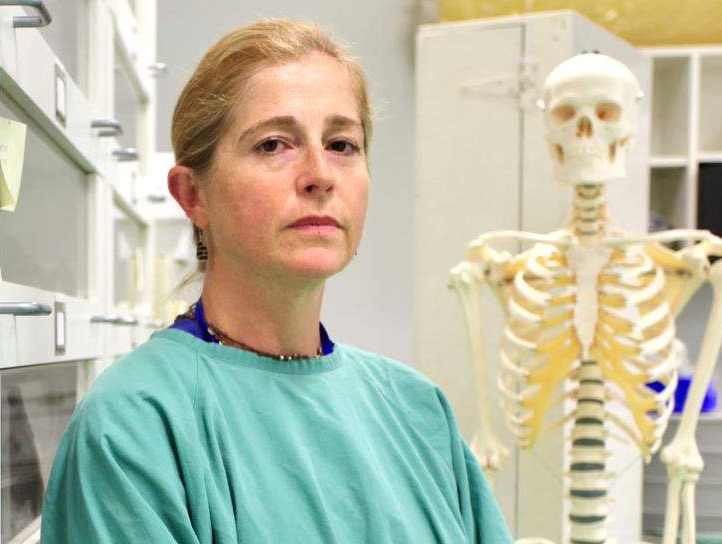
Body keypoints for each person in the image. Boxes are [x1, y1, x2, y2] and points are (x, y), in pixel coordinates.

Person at [41, 18, 512, 543]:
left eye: (342, 144)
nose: (319, 174)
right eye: (273, 145)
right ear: (193, 196)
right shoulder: (133, 429)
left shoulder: (418, 409)